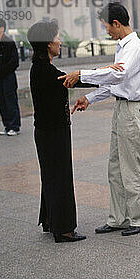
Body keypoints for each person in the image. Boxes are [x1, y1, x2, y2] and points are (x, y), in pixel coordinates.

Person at [61, 2, 140, 237]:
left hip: (132, 112)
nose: (106, 32)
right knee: (115, 168)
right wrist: (89, 98)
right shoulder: (123, 47)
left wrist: (81, 74)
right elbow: (115, 84)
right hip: (122, 110)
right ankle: (119, 218)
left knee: (131, 167)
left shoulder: (133, 47)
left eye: (106, 27)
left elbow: (118, 73)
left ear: (116, 23)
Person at [27, 20, 95, 243]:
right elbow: (73, 80)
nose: (59, 42)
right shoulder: (46, 71)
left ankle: (50, 220)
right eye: (56, 38)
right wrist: (106, 75)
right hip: (53, 133)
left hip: (47, 132)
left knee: (51, 176)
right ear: (48, 44)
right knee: (60, 177)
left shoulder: (39, 68)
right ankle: (64, 229)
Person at [0, 18, 21, 136]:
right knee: (1, 101)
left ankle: (15, 126)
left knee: (10, 101)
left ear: (2, 28)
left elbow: (14, 62)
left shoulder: (9, 43)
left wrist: (1, 71)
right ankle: (7, 125)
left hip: (8, 78)